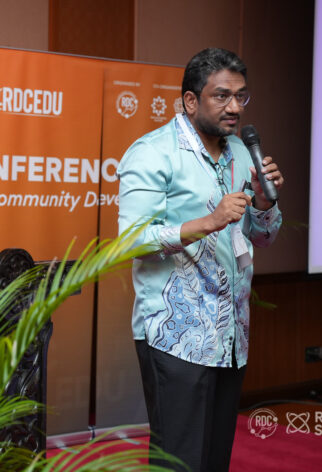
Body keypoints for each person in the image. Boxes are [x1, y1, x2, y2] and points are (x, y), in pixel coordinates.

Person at [117, 47, 284, 471]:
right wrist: (208, 222)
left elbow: (262, 237)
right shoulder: (153, 152)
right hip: (176, 335)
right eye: (222, 96)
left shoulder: (241, 153)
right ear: (190, 100)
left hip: (230, 336)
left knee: (213, 459)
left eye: (241, 96)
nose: (235, 107)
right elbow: (131, 241)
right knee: (179, 461)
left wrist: (264, 205)